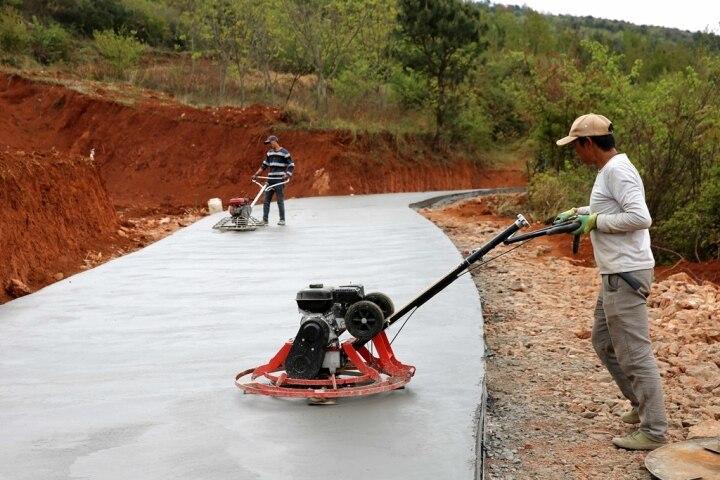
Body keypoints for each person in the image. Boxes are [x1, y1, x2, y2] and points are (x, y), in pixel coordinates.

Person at [554, 113, 668, 450]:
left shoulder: (617, 170)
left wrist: (595, 221)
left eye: (576, 146)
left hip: (626, 274)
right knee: (603, 341)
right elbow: (607, 206)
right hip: (613, 274)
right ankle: (640, 403)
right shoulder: (610, 171)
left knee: (634, 353)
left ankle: (655, 430)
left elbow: (640, 216)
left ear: (588, 143)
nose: (576, 154)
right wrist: (580, 212)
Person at [252, 135, 294, 225]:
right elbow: (264, 166)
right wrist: (256, 175)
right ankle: (265, 220)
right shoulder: (269, 153)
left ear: (275, 141)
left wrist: (287, 175)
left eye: (270, 142)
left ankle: (282, 219)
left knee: (279, 200)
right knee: (266, 200)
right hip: (270, 179)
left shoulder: (284, 152)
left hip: (279, 180)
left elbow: (291, 165)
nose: (269, 145)